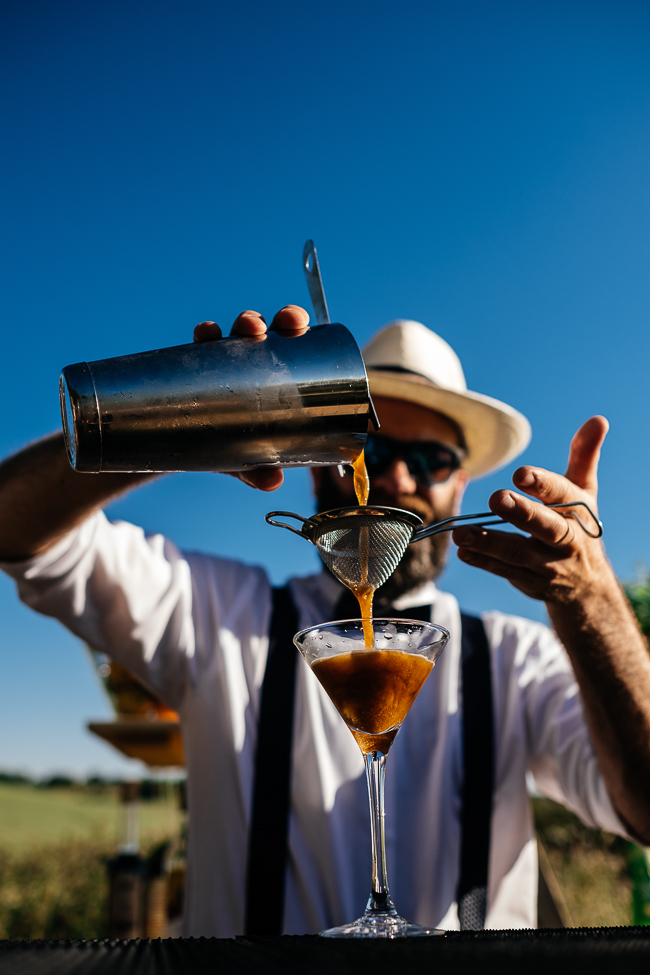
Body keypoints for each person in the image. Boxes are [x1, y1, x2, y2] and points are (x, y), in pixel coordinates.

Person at [1, 305, 650, 935]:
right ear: (316, 465)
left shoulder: (518, 659)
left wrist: (590, 598)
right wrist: (188, 413)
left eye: (432, 461)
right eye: (367, 446)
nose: (396, 476)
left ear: (461, 485)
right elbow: (14, 527)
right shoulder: (217, 615)